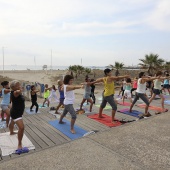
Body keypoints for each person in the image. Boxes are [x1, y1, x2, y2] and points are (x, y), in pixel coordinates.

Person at [9, 80, 28, 152]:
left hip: (14, 111)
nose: (19, 85)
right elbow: (17, 92)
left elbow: (12, 100)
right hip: (16, 113)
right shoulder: (15, 92)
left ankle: (11, 132)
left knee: (12, 121)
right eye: (17, 85)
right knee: (21, 128)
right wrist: (20, 89)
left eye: (19, 84)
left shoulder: (13, 93)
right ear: (13, 87)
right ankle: (19, 144)